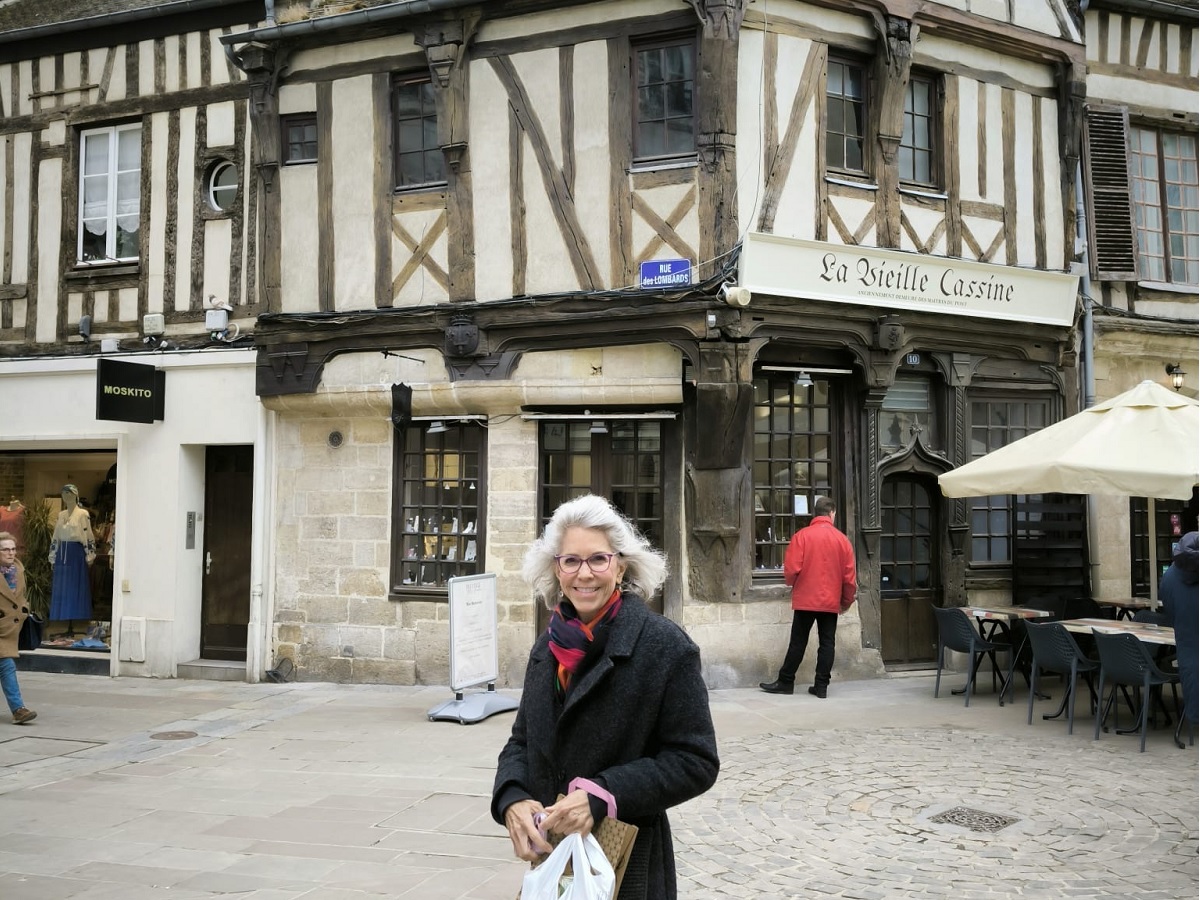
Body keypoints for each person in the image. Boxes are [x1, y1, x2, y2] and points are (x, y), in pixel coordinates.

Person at [491, 495, 719, 900]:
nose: (585, 574)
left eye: (598, 559)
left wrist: (603, 793)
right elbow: (522, 742)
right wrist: (512, 797)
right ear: (556, 568)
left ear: (621, 566)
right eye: (571, 561)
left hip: (626, 863)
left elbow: (695, 760)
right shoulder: (547, 648)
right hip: (554, 863)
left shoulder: (665, 647)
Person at [760, 495, 857, 699]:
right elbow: (849, 578)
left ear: (816, 513)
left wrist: (794, 583)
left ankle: (786, 681)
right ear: (832, 513)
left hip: (806, 598)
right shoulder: (842, 540)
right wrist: (846, 601)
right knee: (827, 643)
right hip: (830, 600)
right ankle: (821, 686)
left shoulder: (802, 536)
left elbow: (791, 569)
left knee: (798, 642)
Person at [1160, 531, 1198, 726]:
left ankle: (1193, 717)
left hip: (1184, 636)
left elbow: (1168, 609)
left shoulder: (1169, 576)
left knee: (1191, 670)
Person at [0, 531, 36, 724]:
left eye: (13, 549)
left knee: (6, 666)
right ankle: (18, 709)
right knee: (7, 666)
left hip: (11, 629)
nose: (11, 553)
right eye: (5, 549)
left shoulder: (18, 570)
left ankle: (18, 710)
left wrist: (24, 609)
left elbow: (20, 596)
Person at [48, 484, 96, 628]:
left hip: (76, 553)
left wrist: (90, 555)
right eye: (64, 493)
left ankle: (75, 619)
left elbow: (88, 535)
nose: (66, 496)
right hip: (62, 553)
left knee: (75, 586)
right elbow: (56, 536)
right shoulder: (61, 515)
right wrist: (53, 555)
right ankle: (64, 619)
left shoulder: (83, 514)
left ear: (76, 495)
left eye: (69, 493)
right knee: (63, 587)